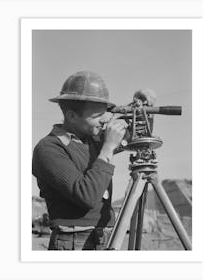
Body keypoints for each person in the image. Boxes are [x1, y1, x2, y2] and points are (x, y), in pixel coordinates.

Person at [32, 71, 127, 250]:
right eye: (96, 116)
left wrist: (142, 106)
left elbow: (138, 139)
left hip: (104, 235)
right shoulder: (48, 148)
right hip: (74, 240)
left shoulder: (94, 139)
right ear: (72, 116)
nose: (104, 121)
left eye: (105, 114)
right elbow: (86, 196)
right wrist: (107, 148)